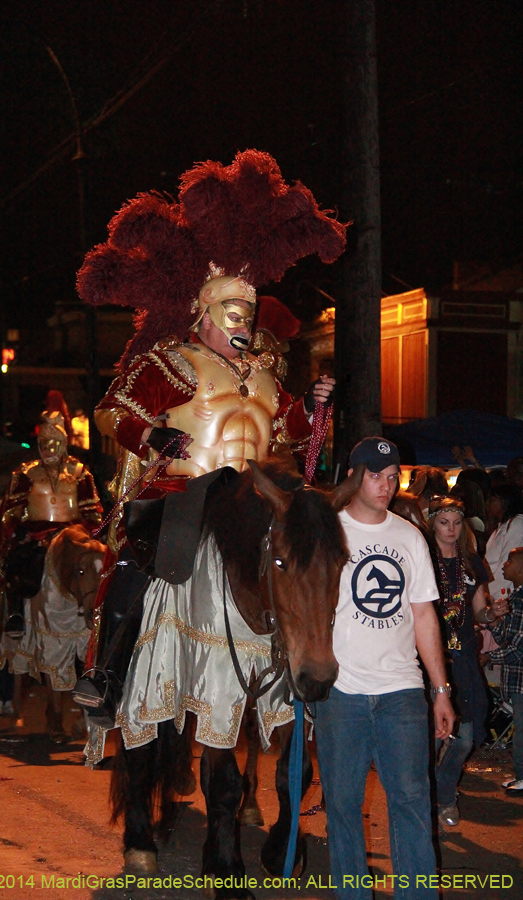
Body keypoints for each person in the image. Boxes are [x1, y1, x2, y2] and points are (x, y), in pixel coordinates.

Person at [73, 149, 346, 738]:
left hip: (251, 493)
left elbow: (281, 434)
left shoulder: (269, 370)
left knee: (301, 557)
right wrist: (149, 433)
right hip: (184, 486)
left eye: (247, 311)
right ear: (204, 314)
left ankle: (295, 663)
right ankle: (107, 669)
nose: (243, 321)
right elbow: (109, 412)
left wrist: (313, 408)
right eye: (232, 311)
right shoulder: (170, 360)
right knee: (139, 557)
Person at [314, 437, 455, 900]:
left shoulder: (409, 536)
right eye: (376, 475)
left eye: (393, 476)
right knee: (343, 807)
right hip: (342, 693)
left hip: (401, 692)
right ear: (355, 477)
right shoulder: (327, 532)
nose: (387, 484)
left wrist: (440, 690)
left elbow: (423, 616)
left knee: (412, 805)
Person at [0, 404, 102, 678]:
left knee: (97, 563)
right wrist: (17, 532)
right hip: (37, 537)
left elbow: (91, 510)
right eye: (44, 443)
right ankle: (16, 615)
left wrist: (88, 531)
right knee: (18, 564)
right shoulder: (26, 472)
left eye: (54, 442)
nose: (49, 448)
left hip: (73, 536)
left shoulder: (80, 472)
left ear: (64, 443)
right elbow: (12, 510)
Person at [426, 495, 506, 827]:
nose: (451, 529)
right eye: (444, 522)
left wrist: (492, 613)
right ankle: (436, 800)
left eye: (457, 523)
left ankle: (443, 792)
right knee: (429, 739)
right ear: (432, 525)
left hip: (465, 662)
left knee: (467, 737)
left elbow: (479, 611)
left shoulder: (472, 562)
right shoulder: (422, 561)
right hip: (430, 660)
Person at [481, 547, 523, 794]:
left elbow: (518, 648)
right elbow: (508, 637)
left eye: (510, 561)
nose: (505, 565)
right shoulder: (515, 598)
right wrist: (494, 621)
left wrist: (488, 657)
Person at [484, 484, 523, 599]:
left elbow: (510, 566)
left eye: (492, 499)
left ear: (505, 501)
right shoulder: (503, 526)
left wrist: (489, 596)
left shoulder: (517, 524)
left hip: (502, 596)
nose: (488, 503)